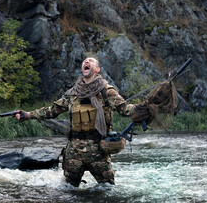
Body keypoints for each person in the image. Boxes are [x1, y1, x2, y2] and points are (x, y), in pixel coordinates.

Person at [15, 57, 150, 187]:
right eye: (85, 61)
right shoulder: (72, 93)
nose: (86, 61)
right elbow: (52, 110)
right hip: (74, 150)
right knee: (68, 191)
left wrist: (142, 108)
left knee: (108, 190)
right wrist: (28, 115)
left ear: (97, 69)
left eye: (91, 61)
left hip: (98, 149)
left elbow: (124, 109)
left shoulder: (106, 91)